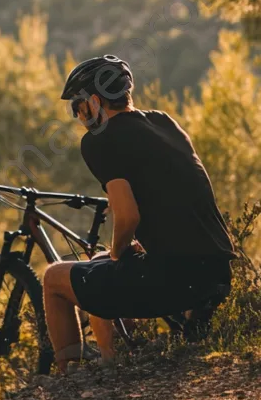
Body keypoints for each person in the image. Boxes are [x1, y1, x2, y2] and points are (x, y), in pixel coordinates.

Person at [43, 55, 236, 370]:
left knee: (54, 278)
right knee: (98, 264)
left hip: (173, 280)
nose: (78, 116)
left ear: (93, 101)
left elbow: (128, 216)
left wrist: (119, 252)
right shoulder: (164, 122)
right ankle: (115, 356)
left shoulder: (100, 140)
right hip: (216, 270)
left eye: (77, 107)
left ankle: (69, 379)